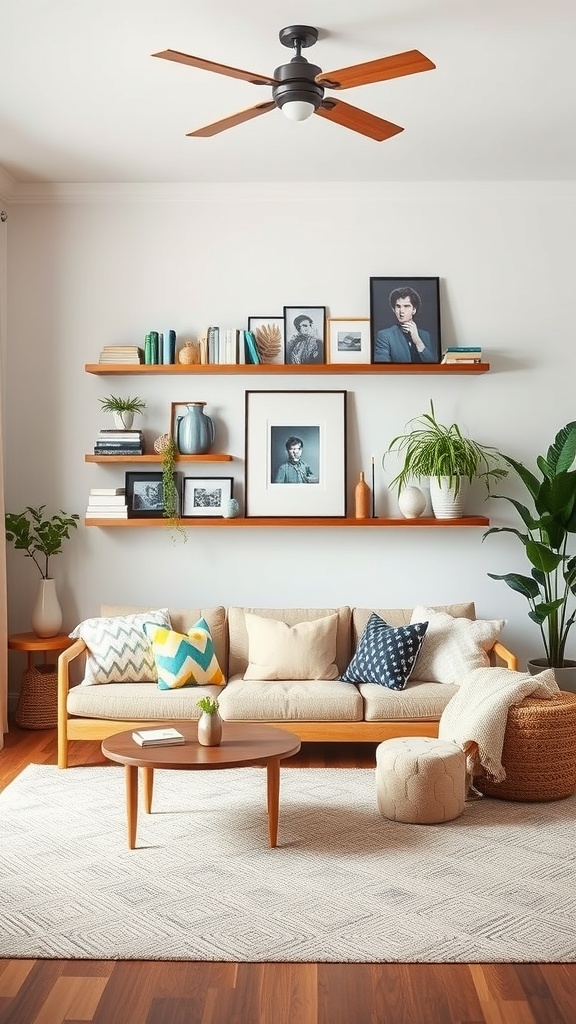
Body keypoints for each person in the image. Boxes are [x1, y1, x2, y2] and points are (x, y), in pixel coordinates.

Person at [374, 287, 436, 363]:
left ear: (414, 310)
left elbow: (432, 365)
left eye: (406, 306)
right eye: (398, 306)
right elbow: (382, 367)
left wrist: (418, 341)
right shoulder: (385, 335)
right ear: (394, 309)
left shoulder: (425, 335)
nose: (401, 311)